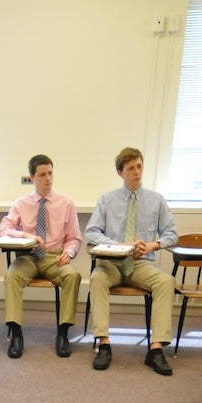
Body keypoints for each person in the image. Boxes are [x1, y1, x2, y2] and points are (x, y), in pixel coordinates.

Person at [84, 147, 177, 375]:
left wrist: (152, 245)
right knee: (96, 279)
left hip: (141, 263)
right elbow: (92, 232)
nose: (137, 172)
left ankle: (155, 349)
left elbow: (172, 234)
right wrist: (117, 245)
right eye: (130, 168)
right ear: (120, 172)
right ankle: (104, 344)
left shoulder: (157, 200)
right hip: (112, 263)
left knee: (165, 281)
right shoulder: (107, 200)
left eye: (139, 167)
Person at [0, 155, 83, 359]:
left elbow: (75, 238)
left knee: (73, 276)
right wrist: (26, 234)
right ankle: (16, 334)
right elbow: (3, 229)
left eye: (50, 173)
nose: (48, 179)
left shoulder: (66, 202)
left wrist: (68, 253)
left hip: (54, 257)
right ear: (32, 177)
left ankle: (63, 333)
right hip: (28, 256)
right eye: (42, 175)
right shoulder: (21, 204)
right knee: (12, 276)